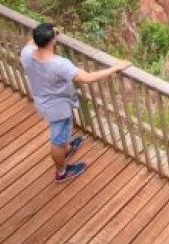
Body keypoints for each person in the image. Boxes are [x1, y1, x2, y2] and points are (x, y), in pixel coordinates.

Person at [20, 23, 131, 182]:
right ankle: (61, 172)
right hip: (57, 108)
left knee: (62, 134)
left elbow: (31, 42)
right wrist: (116, 67)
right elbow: (87, 78)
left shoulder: (27, 53)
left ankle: (67, 148)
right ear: (52, 41)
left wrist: (49, 33)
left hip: (42, 100)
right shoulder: (58, 64)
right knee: (57, 140)